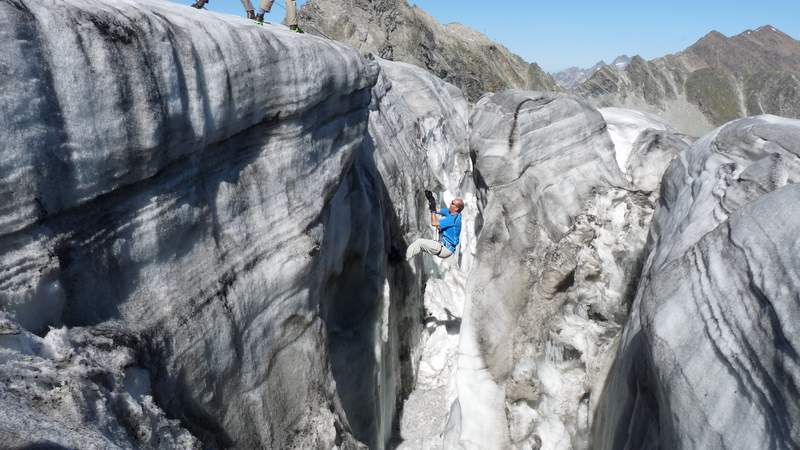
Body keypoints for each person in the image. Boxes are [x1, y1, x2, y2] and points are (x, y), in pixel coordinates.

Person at [405, 196, 464, 261]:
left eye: (452, 203)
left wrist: (433, 211)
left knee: (419, 242)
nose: (450, 203)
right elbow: (436, 210)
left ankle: (403, 259)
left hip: (444, 249)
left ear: (456, 208)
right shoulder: (451, 212)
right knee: (419, 247)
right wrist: (431, 201)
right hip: (442, 246)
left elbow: (434, 223)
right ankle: (406, 259)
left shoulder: (453, 219)